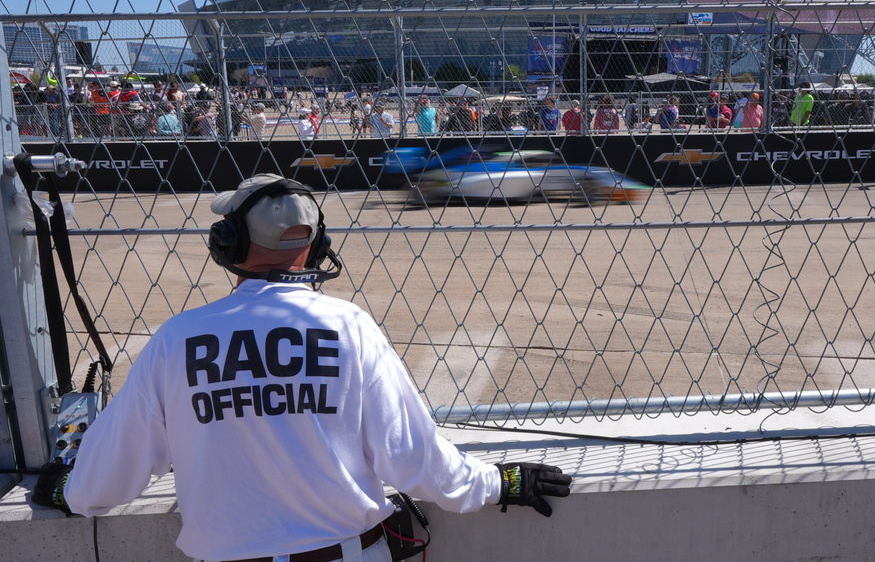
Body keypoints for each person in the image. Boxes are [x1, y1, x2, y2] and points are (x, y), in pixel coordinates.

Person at [32, 174, 572, 562]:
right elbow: (417, 461)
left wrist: (65, 491)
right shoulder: (348, 326)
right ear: (317, 247)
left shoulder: (177, 341)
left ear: (229, 246)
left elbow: (107, 477)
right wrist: (500, 482)